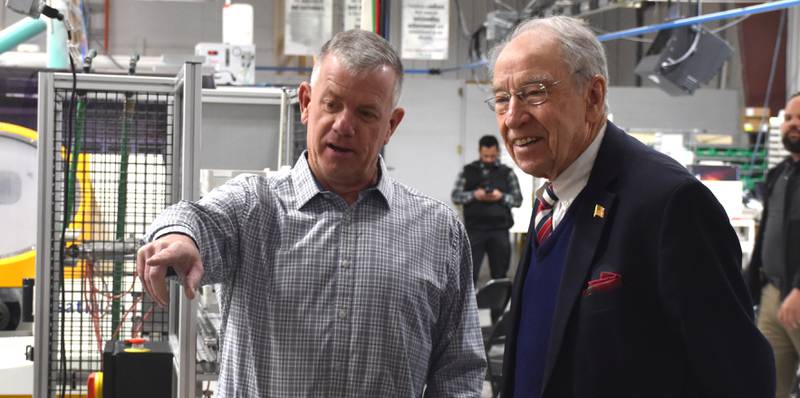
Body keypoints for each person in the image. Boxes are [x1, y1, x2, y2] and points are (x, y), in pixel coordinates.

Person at [136, 30, 486, 397]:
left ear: (391, 125)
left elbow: (459, 372)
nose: (344, 125)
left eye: (366, 113)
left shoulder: (438, 232)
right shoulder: (254, 206)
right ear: (305, 103)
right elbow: (194, 217)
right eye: (332, 104)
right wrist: (179, 237)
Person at [487, 16, 775, 397]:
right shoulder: (550, 200)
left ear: (593, 97)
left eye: (534, 92)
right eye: (502, 98)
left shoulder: (670, 204)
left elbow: (742, 379)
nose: (513, 117)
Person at [747, 92, 800, 398]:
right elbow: (765, 233)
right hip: (772, 296)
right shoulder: (778, 175)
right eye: (789, 118)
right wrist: (749, 288)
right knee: (768, 384)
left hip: (797, 295)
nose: (793, 124)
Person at [452, 135, 522, 284]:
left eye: (492, 156)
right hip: (474, 230)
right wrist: (474, 195)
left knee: (500, 277)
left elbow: (517, 200)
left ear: (497, 153)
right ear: (479, 152)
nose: (489, 159)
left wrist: (501, 196)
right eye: (485, 156)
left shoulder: (507, 173)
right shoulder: (467, 171)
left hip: (499, 230)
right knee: (467, 276)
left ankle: (498, 301)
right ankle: (469, 300)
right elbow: (456, 196)